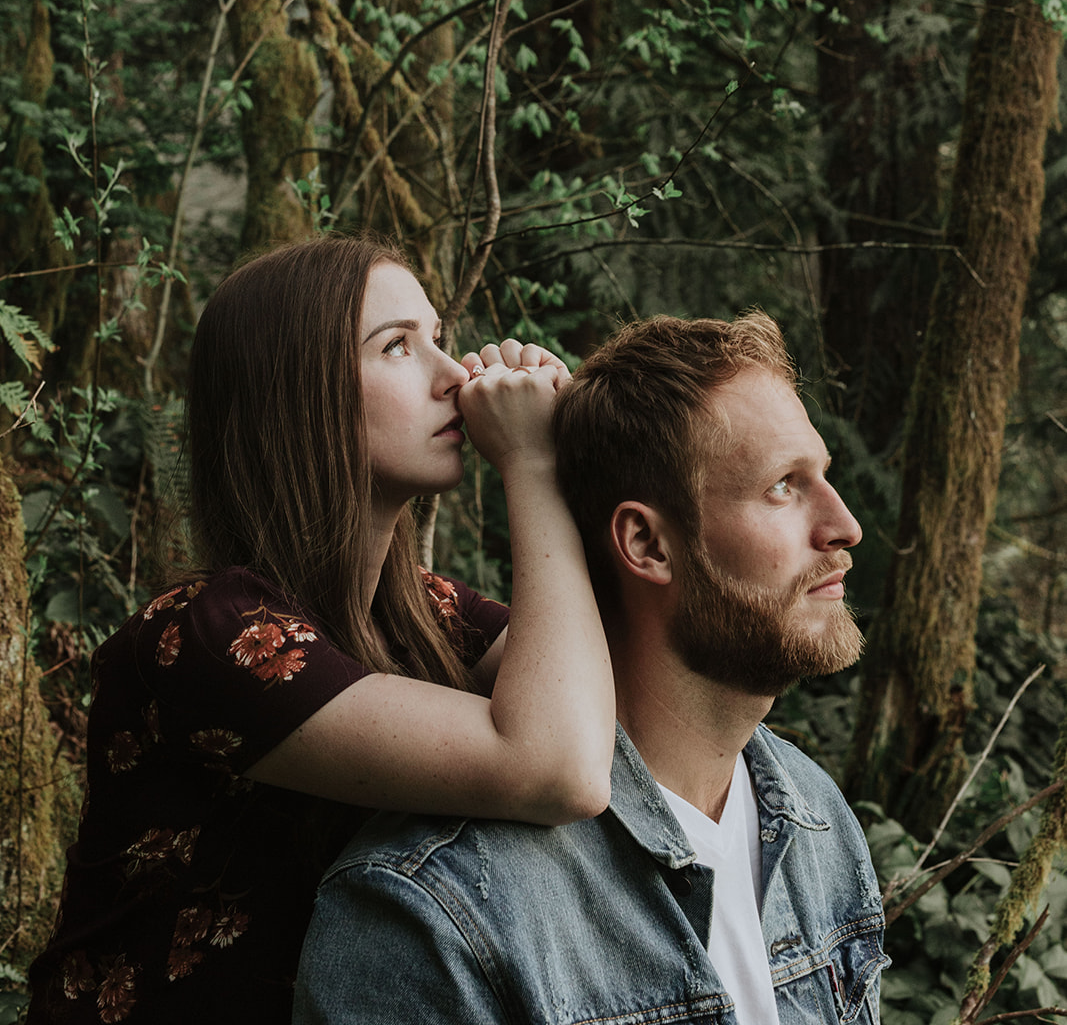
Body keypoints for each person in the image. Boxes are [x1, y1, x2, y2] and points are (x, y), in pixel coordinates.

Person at [28, 235, 614, 1025]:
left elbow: (610, 686)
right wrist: (532, 470)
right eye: (399, 346)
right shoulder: (209, 633)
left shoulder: (424, 613)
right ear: (296, 392)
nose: (454, 377)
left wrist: (575, 450)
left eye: (438, 339)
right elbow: (558, 769)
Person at [295, 312, 889, 1025]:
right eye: (782, 486)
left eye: (823, 475)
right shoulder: (435, 909)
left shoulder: (814, 816)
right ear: (645, 544)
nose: (844, 524)